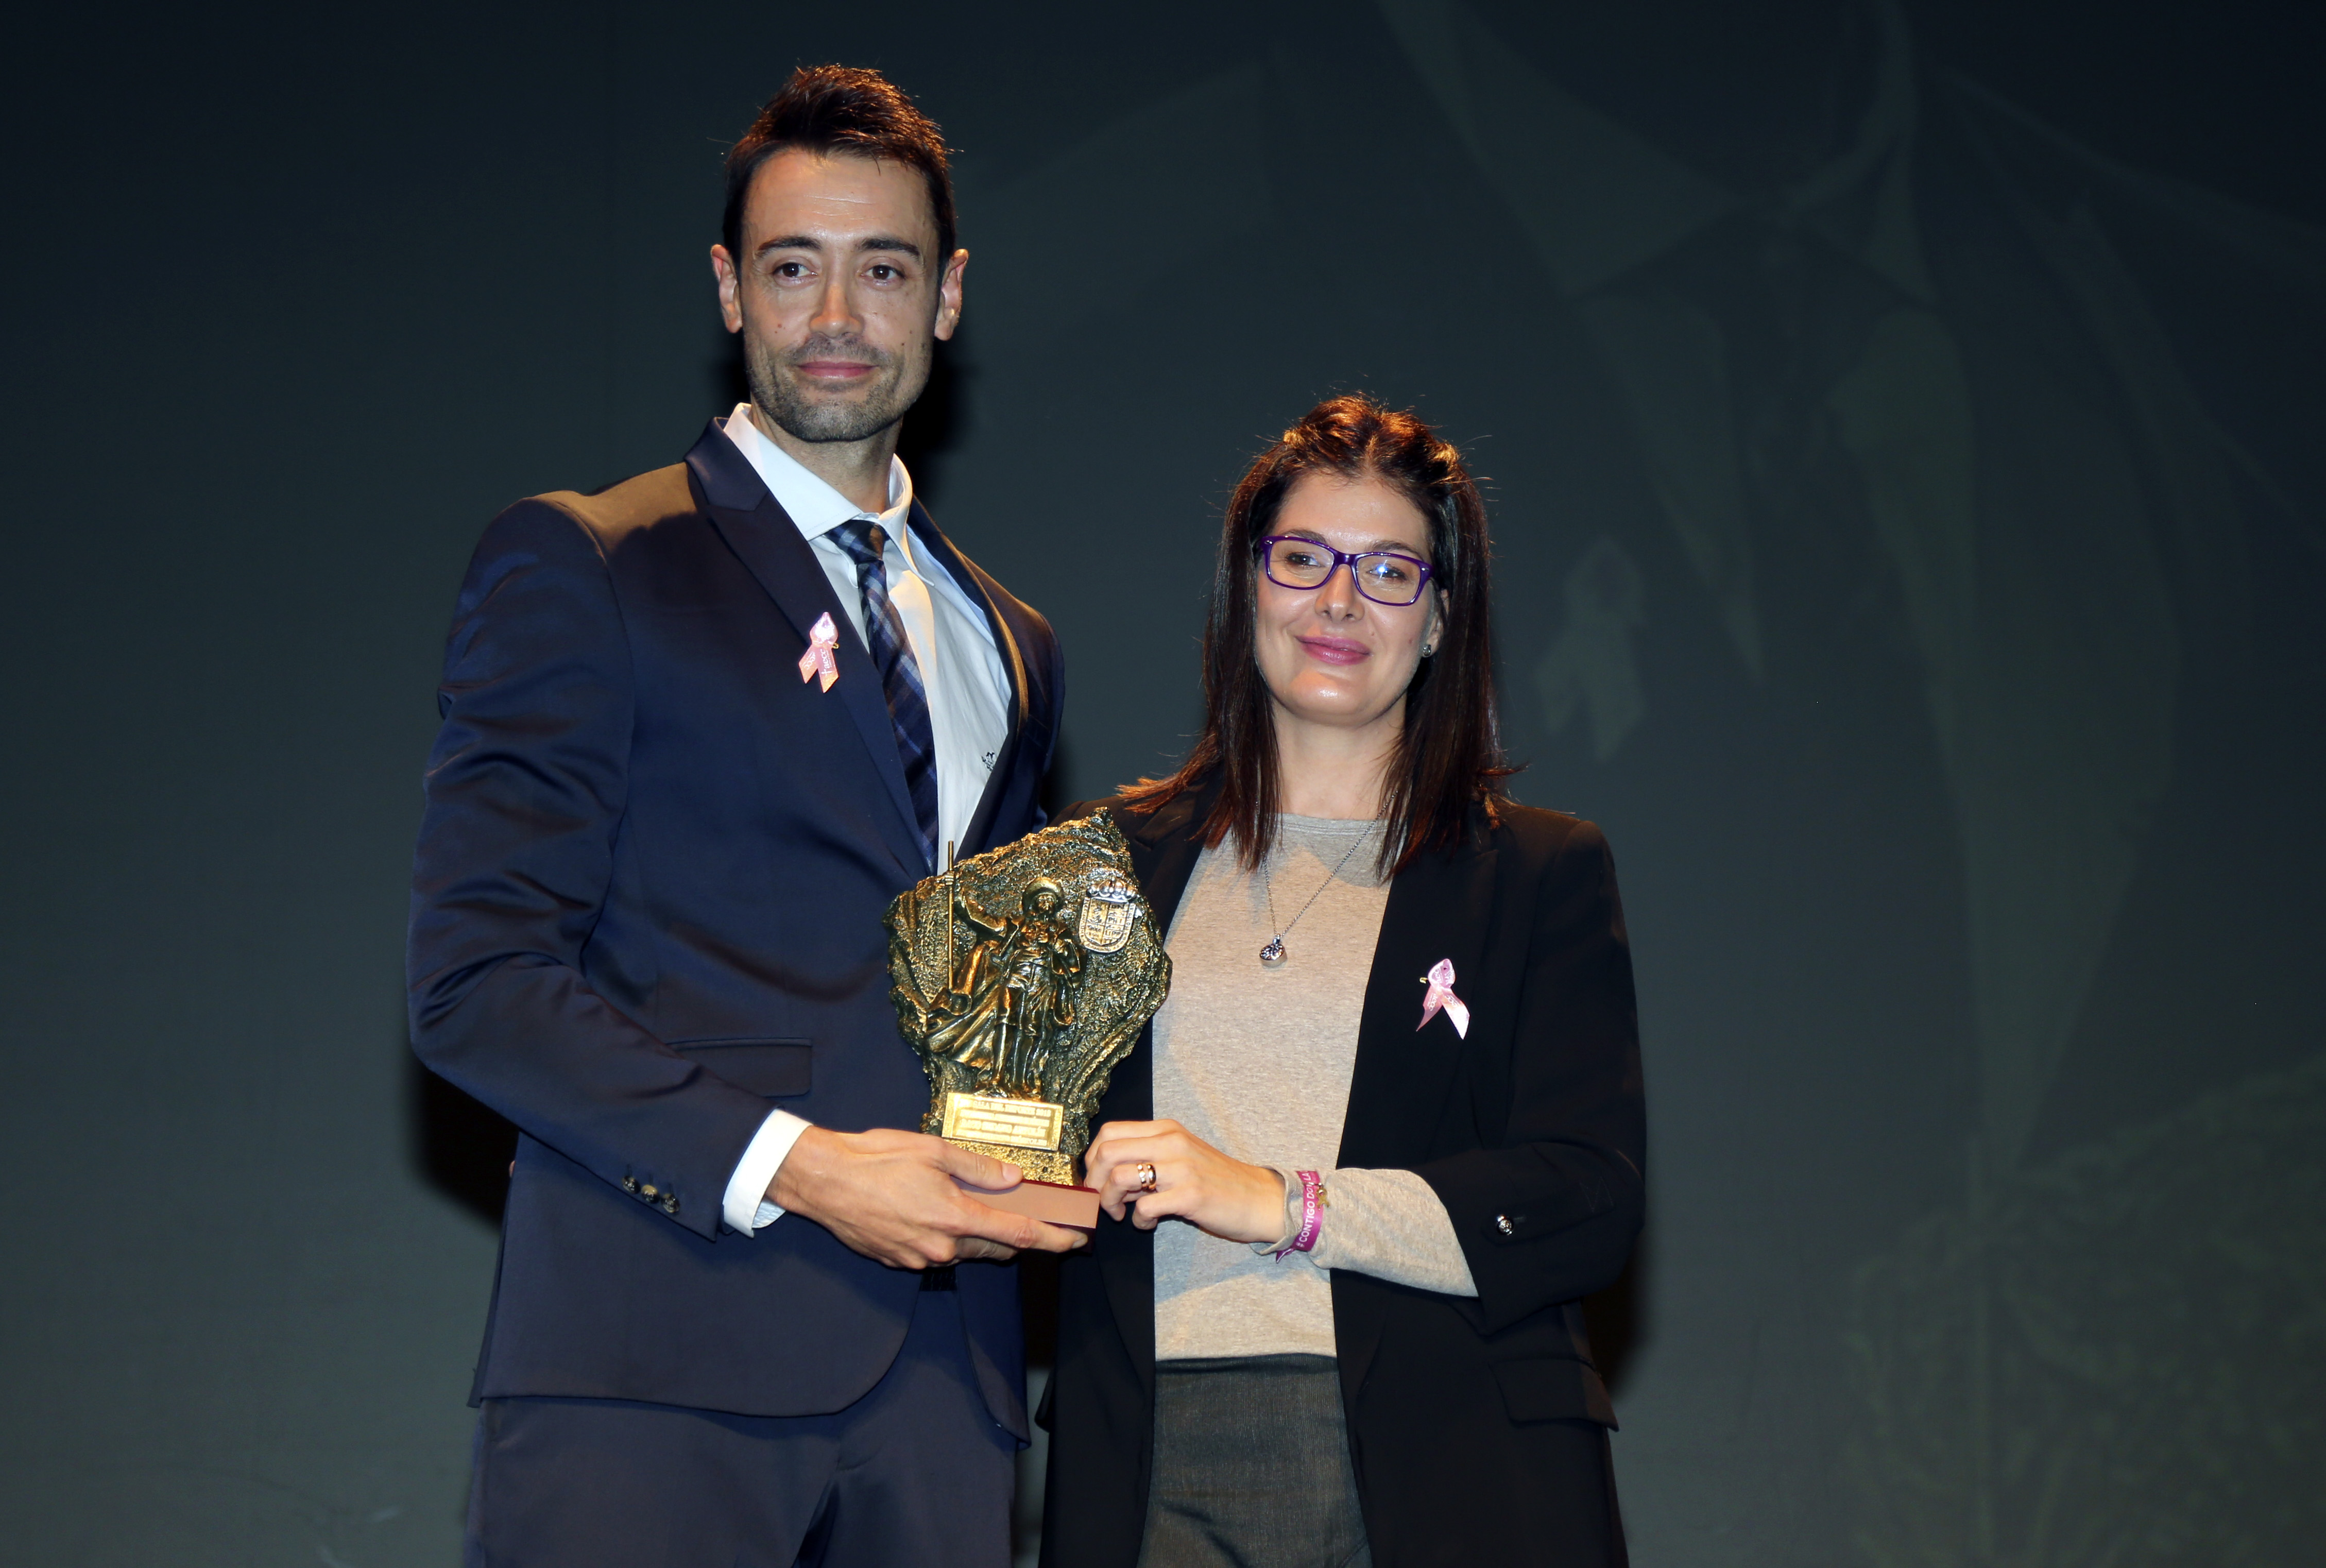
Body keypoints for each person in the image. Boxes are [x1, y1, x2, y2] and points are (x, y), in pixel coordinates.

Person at [405, 65, 1084, 1568]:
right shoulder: (592, 561)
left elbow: (991, 1010)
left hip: (947, 1389)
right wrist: (811, 1166)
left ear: (948, 297)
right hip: (658, 1364)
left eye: (883, 269)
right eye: (792, 267)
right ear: (729, 289)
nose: (835, 313)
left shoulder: (1011, 640)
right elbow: (477, 985)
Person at [1040, 396, 1646, 1567]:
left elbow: (1587, 1195)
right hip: (1150, 1454)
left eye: (1388, 572)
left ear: (1439, 618)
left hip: (1447, 1459)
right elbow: (1030, 1147)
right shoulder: (1102, 864)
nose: (1337, 601)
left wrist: (1284, 1201)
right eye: (1303, 558)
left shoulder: (1537, 872)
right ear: (1248, 586)